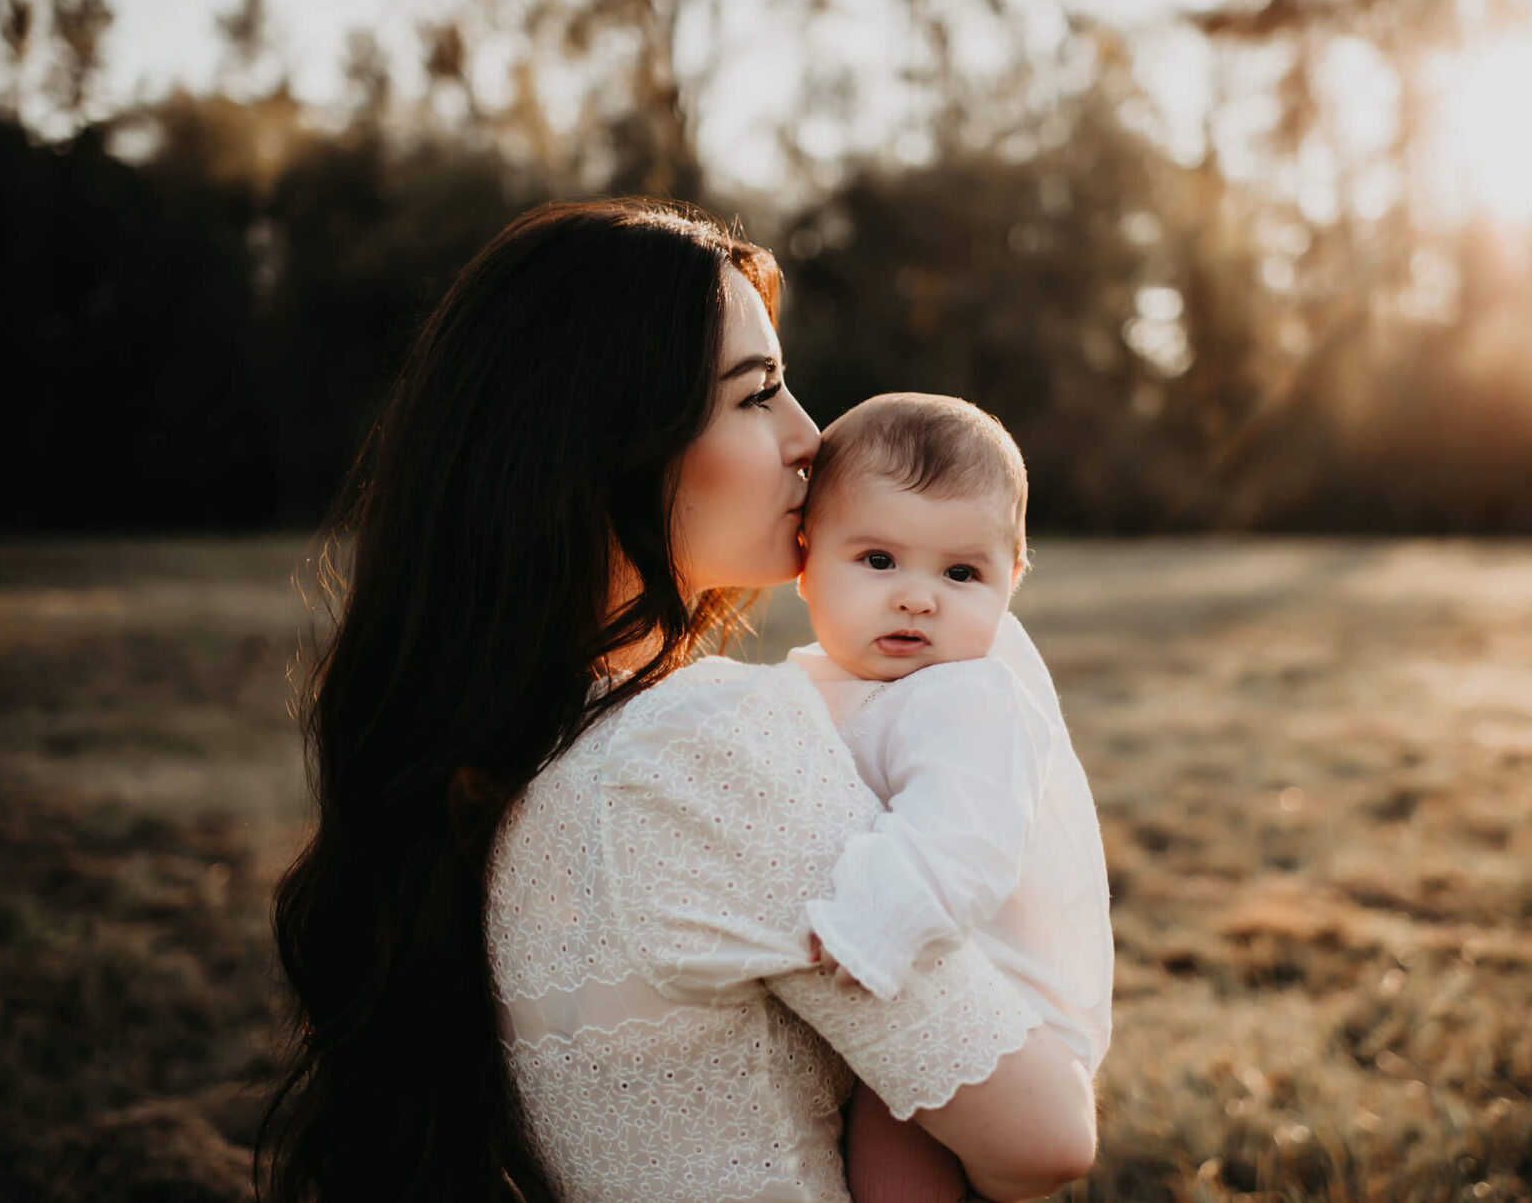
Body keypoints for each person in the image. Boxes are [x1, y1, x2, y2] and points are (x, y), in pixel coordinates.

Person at [256, 199, 1095, 1203]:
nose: (811, 437)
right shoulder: (703, 744)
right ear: (610, 443)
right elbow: (1045, 1135)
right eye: (758, 394)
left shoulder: (499, 745)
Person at [783, 393, 1113, 1203]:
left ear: (1012, 582)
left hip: (1004, 1009)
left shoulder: (970, 699)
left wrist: (870, 926)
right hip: (931, 976)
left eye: (961, 573)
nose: (918, 597)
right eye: (878, 561)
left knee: (894, 1163)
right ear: (805, 560)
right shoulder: (829, 680)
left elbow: (964, 839)